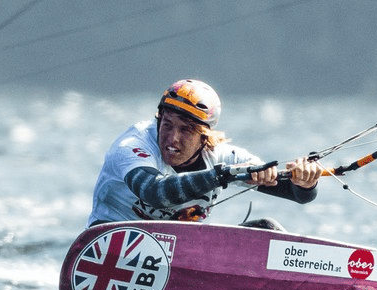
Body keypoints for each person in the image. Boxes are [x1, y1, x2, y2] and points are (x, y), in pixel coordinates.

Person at [88, 78, 323, 228]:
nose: (172, 138)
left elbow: (297, 195)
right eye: (167, 124)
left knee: (267, 229)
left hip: (178, 255)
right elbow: (154, 192)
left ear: (205, 135)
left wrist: (305, 182)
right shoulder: (132, 146)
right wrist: (221, 176)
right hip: (110, 246)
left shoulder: (222, 156)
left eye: (186, 130)